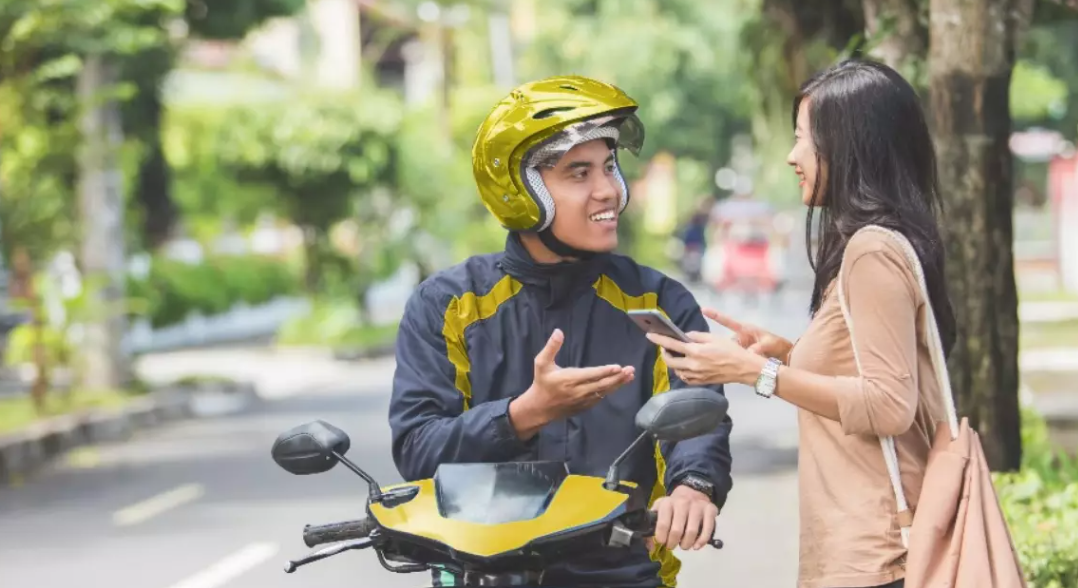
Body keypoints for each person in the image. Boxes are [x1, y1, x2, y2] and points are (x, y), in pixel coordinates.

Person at [388, 75, 734, 588]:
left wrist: (694, 488)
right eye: (579, 173)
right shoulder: (449, 305)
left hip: (625, 571)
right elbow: (417, 448)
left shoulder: (658, 302)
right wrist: (523, 415)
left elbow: (697, 415)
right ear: (519, 190)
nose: (608, 190)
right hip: (482, 571)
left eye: (610, 167)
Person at [645, 58, 957, 588]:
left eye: (803, 139)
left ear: (850, 145)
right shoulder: (879, 242)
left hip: (879, 556)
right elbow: (869, 368)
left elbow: (888, 403)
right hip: (864, 551)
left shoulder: (871, 250)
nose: (793, 157)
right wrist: (786, 353)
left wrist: (754, 374)